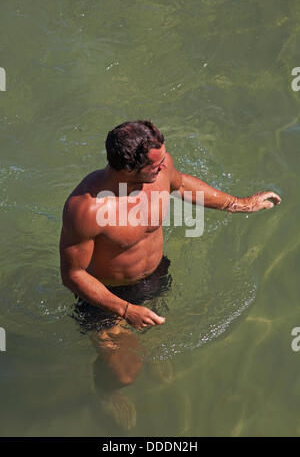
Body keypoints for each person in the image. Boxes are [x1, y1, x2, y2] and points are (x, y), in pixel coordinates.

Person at [59, 120, 281, 429]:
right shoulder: (87, 209)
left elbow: (181, 183)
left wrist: (238, 204)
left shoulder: (160, 169)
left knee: (156, 337)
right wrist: (126, 309)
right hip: (107, 296)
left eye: (163, 160)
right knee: (124, 373)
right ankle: (107, 391)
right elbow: (73, 275)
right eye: (155, 165)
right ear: (127, 169)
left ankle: (148, 351)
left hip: (154, 277)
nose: (163, 167)